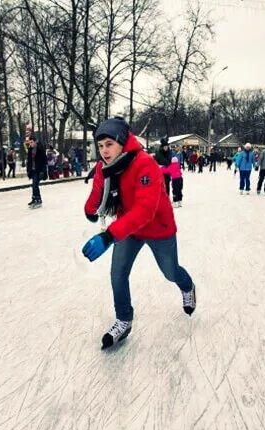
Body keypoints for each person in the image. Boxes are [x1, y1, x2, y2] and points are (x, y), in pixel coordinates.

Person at [81, 117, 196, 349]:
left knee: (170, 272)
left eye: (109, 144)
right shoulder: (105, 166)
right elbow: (98, 188)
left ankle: (187, 286)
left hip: (158, 228)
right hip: (128, 229)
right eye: (100, 145)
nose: (104, 151)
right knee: (117, 273)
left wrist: (109, 235)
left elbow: (146, 210)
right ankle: (123, 319)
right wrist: (90, 209)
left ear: (122, 142)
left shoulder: (145, 164)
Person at [26, 136, 47, 208]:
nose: (30, 144)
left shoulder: (40, 149)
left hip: (39, 170)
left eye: (32, 142)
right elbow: (29, 161)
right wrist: (28, 170)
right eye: (30, 142)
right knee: (34, 185)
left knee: (34, 185)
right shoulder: (30, 149)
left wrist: (43, 171)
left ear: (35, 142)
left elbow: (44, 161)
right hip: (33, 170)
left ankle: (37, 199)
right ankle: (35, 198)